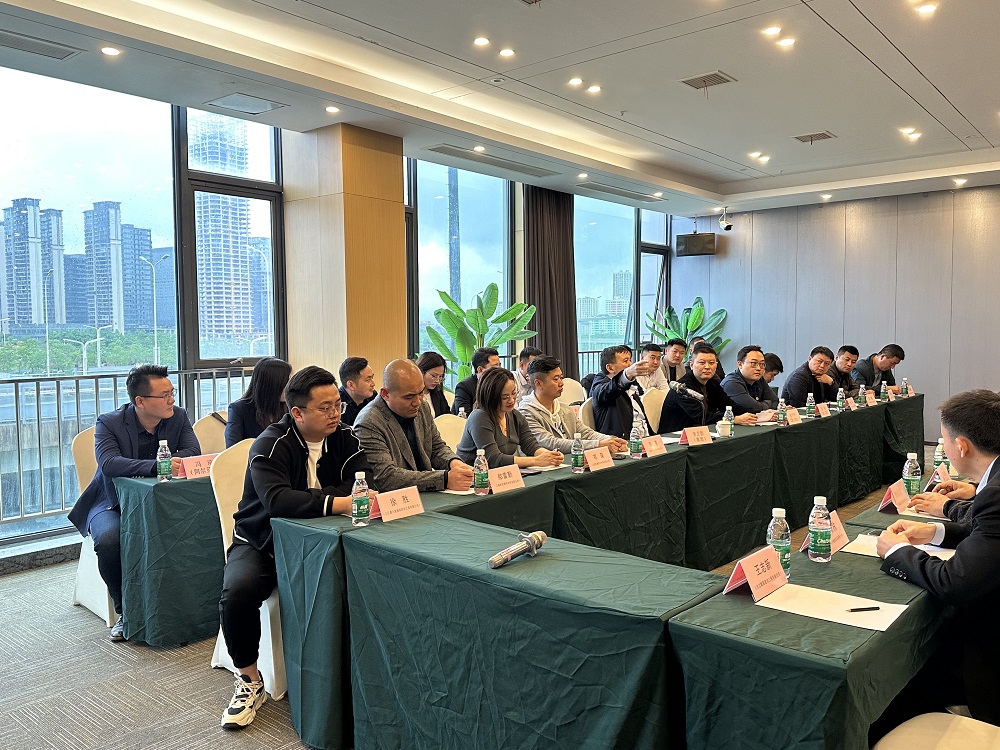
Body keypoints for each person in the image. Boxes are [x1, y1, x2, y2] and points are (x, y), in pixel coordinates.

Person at [218, 366, 375, 729]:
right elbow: (278, 501)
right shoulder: (269, 444)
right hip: (263, 541)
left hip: (327, 539)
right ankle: (249, 680)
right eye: (325, 408)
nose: (335, 414)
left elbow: (363, 484)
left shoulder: (346, 437)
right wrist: (337, 501)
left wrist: (323, 500)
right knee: (237, 592)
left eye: (337, 405)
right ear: (297, 413)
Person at [874, 389, 1000, 727]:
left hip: (990, 652)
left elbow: (954, 583)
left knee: (903, 685)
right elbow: (988, 534)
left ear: (961, 446)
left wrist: (896, 551)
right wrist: (935, 533)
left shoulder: (996, 494)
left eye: (943, 441)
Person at [67, 365, 200, 641]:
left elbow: (192, 451)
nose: (172, 400)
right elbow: (109, 463)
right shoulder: (110, 423)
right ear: (140, 401)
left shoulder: (178, 416)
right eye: (164, 395)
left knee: (195, 526)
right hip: (111, 502)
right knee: (109, 539)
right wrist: (157, 465)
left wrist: (162, 464)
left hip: (161, 501)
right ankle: (125, 611)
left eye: (172, 392)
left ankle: (187, 606)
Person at [354, 359, 474, 492]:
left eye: (421, 393)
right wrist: (444, 479)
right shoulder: (368, 422)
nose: (417, 402)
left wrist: (454, 463)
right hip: (395, 499)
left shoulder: (422, 407)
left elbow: (436, 447)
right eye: (409, 397)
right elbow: (386, 477)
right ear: (385, 394)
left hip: (425, 493)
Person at [455, 367, 563, 468]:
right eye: (505, 397)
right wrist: (535, 461)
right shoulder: (479, 417)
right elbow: (493, 459)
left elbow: (531, 446)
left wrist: (550, 456)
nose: (511, 400)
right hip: (473, 476)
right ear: (491, 397)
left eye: (514, 393)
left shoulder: (515, 415)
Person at [518, 355, 628, 454]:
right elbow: (549, 443)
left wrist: (611, 440)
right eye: (555, 379)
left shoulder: (564, 408)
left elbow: (585, 433)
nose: (561, 383)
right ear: (538, 383)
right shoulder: (526, 412)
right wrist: (598, 444)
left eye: (561, 378)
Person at [658, 345, 756, 433]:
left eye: (711, 363)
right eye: (702, 363)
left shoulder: (712, 382)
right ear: (691, 365)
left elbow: (728, 405)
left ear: (716, 365)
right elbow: (701, 416)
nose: (707, 367)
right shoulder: (683, 387)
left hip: (701, 432)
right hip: (675, 435)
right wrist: (733, 419)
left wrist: (755, 414)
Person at [589, 345, 654, 440]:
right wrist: (626, 375)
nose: (630, 365)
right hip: (622, 442)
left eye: (630, 360)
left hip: (647, 438)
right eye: (625, 361)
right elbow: (607, 391)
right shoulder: (602, 386)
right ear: (610, 368)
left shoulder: (631, 383)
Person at [226, 357, 293, 447]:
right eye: (286, 383)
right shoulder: (238, 409)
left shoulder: (290, 407)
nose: (290, 388)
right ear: (271, 385)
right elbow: (232, 449)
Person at [720, 345, 779, 414]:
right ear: (740, 364)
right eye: (753, 363)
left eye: (762, 364)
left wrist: (762, 405)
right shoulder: (731, 383)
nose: (758, 368)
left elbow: (776, 401)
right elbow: (754, 408)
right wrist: (767, 404)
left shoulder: (759, 379)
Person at [452, 346, 501, 416]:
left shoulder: (500, 384)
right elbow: (464, 415)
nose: (499, 370)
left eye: (500, 366)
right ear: (480, 369)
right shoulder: (464, 387)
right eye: (495, 367)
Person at [338, 356, 376, 426]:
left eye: (372, 378)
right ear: (351, 385)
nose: (373, 384)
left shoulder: (374, 397)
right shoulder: (337, 404)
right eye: (368, 380)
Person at [416, 351, 450, 417]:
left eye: (440, 376)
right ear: (421, 371)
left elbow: (447, 416)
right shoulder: (411, 394)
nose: (437, 381)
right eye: (434, 376)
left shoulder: (438, 393)